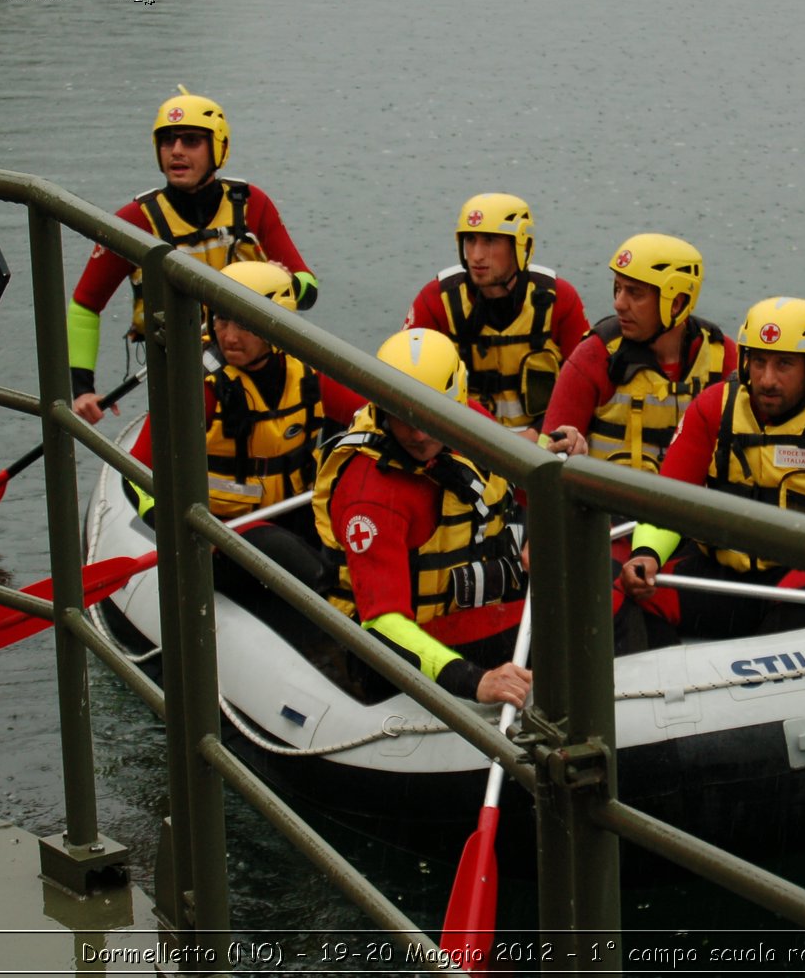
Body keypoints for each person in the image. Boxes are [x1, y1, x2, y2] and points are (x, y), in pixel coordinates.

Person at [618, 296, 805, 638]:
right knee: (622, 599)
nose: (767, 379)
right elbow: (664, 504)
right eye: (758, 362)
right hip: (724, 575)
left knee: (795, 618)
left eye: (783, 365)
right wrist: (647, 555)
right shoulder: (713, 409)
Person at [125, 262, 361, 661]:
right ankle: (336, 641)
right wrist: (167, 521)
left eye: (245, 325)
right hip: (219, 535)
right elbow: (135, 472)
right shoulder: (199, 386)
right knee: (286, 553)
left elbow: (377, 414)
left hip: (291, 512)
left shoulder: (307, 373)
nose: (229, 336)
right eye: (221, 320)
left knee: (345, 541)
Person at [68, 85, 320, 425]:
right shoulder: (133, 221)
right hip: (184, 376)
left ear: (219, 147)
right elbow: (85, 306)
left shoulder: (251, 204)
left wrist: (284, 283)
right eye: (167, 141)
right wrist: (83, 389)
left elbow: (308, 288)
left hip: (260, 364)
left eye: (191, 141)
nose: (176, 152)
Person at [313, 328, 532, 708]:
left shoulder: (466, 421)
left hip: (470, 610)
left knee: (606, 586)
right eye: (402, 416)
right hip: (405, 651)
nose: (416, 433)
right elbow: (384, 623)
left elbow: (522, 479)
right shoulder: (371, 495)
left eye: (429, 415)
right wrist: (475, 681)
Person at [539, 233, 737, 468]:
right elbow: (542, 460)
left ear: (676, 303)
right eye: (618, 288)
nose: (619, 304)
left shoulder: (722, 356)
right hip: (606, 502)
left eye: (635, 293)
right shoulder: (594, 356)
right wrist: (564, 448)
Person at [402, 193, 589, 440]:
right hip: (463, 442)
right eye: (470, 240)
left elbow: (584, 388)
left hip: (542, 443)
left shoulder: (558, 299)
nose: (476, 255)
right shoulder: (437, 300)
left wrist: (537, 434)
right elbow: (405, 380)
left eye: (490, 241)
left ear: (520, 245)